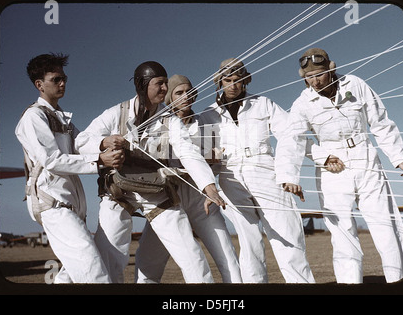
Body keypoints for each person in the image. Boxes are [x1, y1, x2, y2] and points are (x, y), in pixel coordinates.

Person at [75, 61, 226, 283]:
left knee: (192, 256)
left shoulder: (170, 120)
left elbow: (187, 151)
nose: (164, 89)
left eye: (166, 83)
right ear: (142, 84)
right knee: (111, 257)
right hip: (118, 194)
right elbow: (81, 141)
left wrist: (208, 185)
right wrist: (104, 141)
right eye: (159, 83)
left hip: (156, 194)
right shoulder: (116, 113)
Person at [277, 48, 403, 283]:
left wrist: (399, 158)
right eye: (308, 77)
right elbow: (292, 140)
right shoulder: (302, 103)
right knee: (342, 234)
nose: (314, 81)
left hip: (366, 158)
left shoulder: (355, 84)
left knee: (385, 227)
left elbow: (380, 122)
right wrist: (290, 176)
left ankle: (398, 282)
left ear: (331, 68)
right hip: (332, 169)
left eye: (319, 74)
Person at [198, 58, 315, 283]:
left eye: (238, 80)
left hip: (267, 172)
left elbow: (291, 136)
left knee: (287, 236)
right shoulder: (207, 115)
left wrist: (291, 173)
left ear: (246, 80)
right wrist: (207, 187)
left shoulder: (263, 104)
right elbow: (201, 158)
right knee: (249, 243)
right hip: (230, 179)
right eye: (228, 80)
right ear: (219, 82)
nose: (233, 85)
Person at [15, 53, 123, 283]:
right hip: (52, 205)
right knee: (93, 270)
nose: (63, 83)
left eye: (64, 78)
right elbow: (52, 160)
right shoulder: (33, 117)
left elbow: (82, 142)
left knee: (70, 276)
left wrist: (104, 143)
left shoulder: (63, 119)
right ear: (39, 85)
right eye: (56, 79)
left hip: (72, 207)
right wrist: (100, 160)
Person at [135, 74, 242, 283]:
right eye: (179, 93)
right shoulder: (155, 124)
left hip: (201, 198)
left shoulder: (206, 123)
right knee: (147, 262)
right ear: (169, 98)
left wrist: (212, 161)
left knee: (227, 257)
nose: (186, 97)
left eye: (189, 92)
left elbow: (216, 163)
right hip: (166, 200)